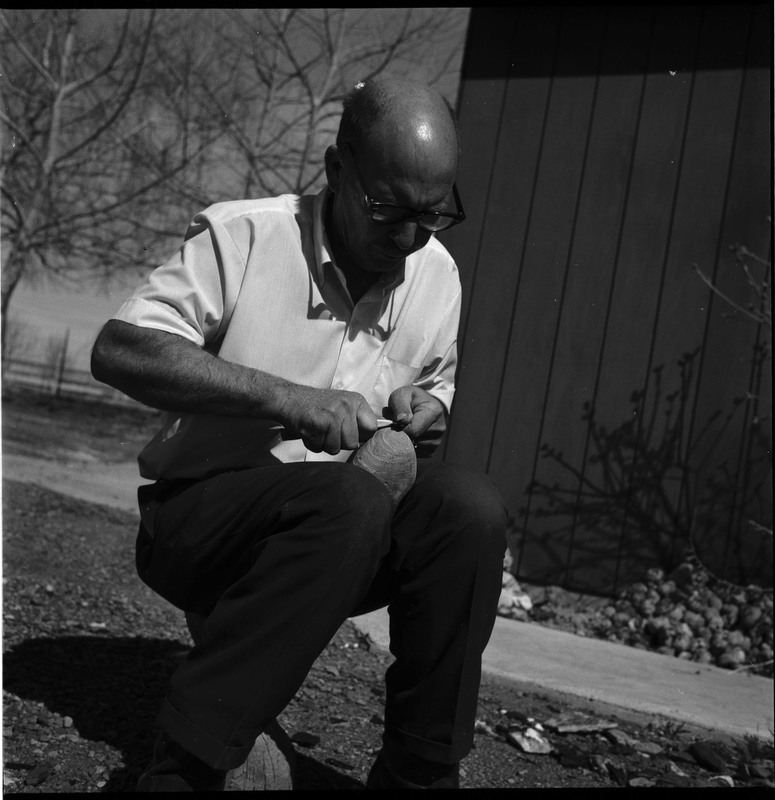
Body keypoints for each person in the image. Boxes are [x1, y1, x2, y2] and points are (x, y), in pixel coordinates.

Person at [91, 76, 507, 791]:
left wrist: (425, 409)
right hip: (200, 526)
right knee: (345, 498)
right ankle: (184, 766)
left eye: (431, 215)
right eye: (389, 211)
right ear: (335, 169)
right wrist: (288, 399)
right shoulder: (244, 233)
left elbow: (435, 388)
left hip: (341, 536)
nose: (409, 239)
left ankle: (421, 771)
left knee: (467, 510)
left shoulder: (435, 274)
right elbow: (120, 349)